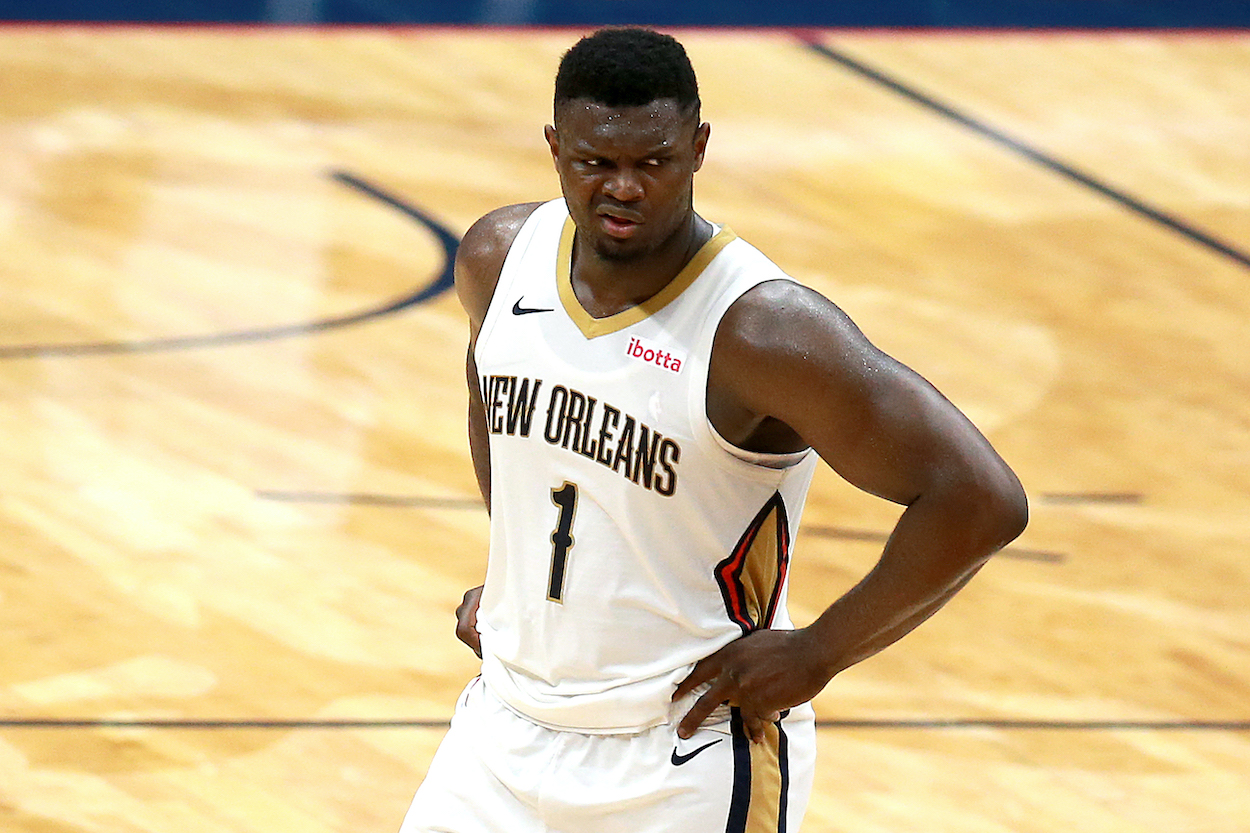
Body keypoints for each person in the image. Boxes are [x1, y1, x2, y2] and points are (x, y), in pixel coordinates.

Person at [399, 26, 1028, 833]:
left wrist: (819, 651)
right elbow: (494, 388)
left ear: (698, 148)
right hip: (501, 733)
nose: (623, 187)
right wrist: (521, 577)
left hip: (682, 754)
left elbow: (978, 497)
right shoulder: (498, 259)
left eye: (651, 162)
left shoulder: (763, 332)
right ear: (556, 149)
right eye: (597, 163)